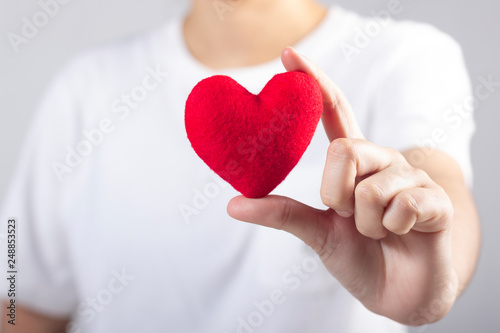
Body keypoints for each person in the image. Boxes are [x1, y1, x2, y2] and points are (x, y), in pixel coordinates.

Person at [0, 0, 480, 332]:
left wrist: (439, 276)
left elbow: (438, 183)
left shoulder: (403, 57)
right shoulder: (85, 87)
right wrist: (12, 296)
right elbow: (19, 297)